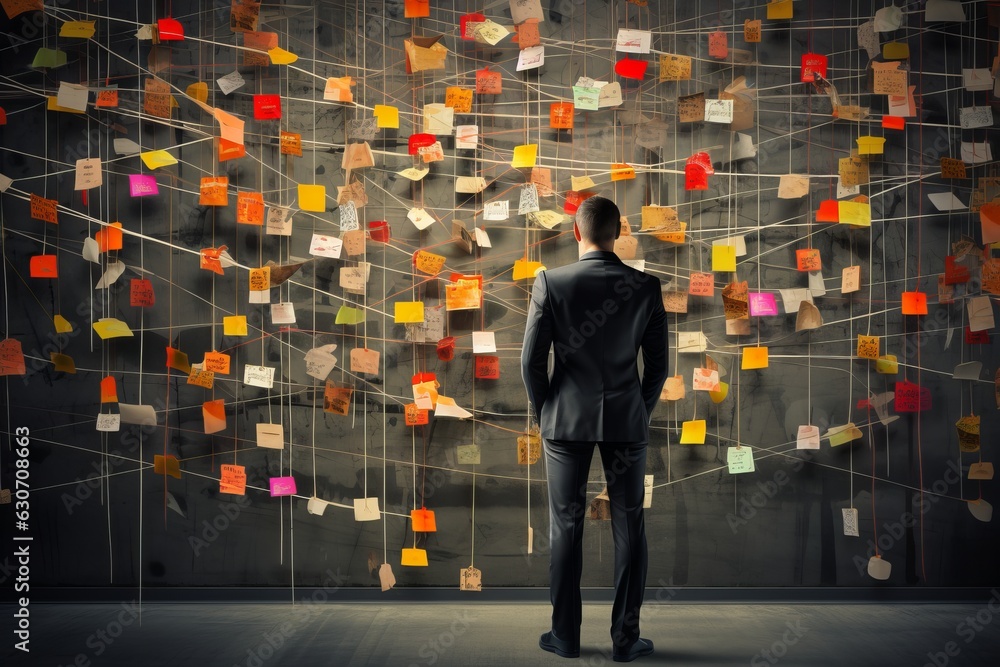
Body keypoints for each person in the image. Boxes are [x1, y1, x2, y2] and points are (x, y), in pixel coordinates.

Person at [521, 196, 669, 662]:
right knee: (631, 527)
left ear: (574, 231)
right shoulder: (646, 287)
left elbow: (530, 362)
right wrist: (638, 412)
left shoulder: (551, 281)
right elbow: (659, 367)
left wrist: (548, 409)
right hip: (627, 421)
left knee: (565, 527)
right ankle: (625, 641)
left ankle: (564, 636)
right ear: (619, 231)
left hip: (565, 421)